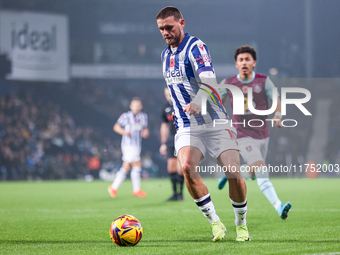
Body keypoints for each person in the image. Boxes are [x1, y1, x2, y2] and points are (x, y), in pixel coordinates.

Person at [156, 6, 249, 242]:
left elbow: (209, 80)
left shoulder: (195, 47)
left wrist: (198, 100)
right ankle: (215, 222)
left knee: (233, 173)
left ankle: (241, 224)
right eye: (161, 29)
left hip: (215, 120)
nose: (165, 32)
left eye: (169, 27)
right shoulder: (165, 56)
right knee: (186, 166)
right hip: (187, 125)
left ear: (182, 23)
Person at [218, 45, 292, 219]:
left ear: (254, 63)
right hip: (242, 136)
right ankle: (279, 206)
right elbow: (217, 102)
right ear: (236, 64)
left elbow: (276, 99)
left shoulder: (263, 81)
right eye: (241, 60)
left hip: (263, 135)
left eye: (247, 59)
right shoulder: (228, 83)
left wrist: (278, 115)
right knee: (261, 169)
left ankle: (230, 173)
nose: (244, 62)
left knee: (253, 171)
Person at [108, 97, 149, 198]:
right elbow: (116, 127)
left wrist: (145, 132)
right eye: (134, 105)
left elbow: (144, 129)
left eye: (137, 105)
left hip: (137, 144)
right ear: (130, 106)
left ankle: (114, 187)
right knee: (137, 164)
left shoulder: (144, 116)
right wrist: (125, 132)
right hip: (128, 144)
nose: (136, 107)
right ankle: (136, 190)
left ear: (141, 107)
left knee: (127, 166)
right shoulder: (126, 116)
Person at [160, 86, 184, 201]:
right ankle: (175, 193)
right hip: (170, 140)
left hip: (182, 138)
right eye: (166, 95)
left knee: (181, 168)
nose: (168, 97)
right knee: (171, 167)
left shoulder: (181, 104)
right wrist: (163, 143)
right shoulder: (165, 108)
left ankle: (181, 194)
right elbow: (164, 125)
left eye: (169, 94)